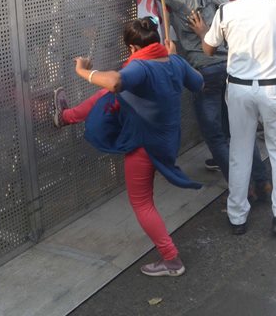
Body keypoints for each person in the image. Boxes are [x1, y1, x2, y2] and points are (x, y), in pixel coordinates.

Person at [113, 0, 270, 196]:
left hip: (205, 72)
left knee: (216, 136)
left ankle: (241, 191)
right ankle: (262, 181)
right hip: (229, 67)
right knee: (239, 131)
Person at [53, 18, 203, 277]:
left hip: (144, 143)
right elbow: (199, 82)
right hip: (167, 139)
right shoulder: (174, 62)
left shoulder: (141, 67)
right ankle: (65, 117)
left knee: (142, 203)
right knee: (106, 96)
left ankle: (171, 260)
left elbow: (114, 82)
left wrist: (83, 72)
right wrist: (175, 59)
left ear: (133, 48)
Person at [203, 0, 276, 236]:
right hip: (272, 86)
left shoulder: (226, 10)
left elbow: (208, 49)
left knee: (239, 151)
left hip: (239, 88)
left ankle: (237, 216)